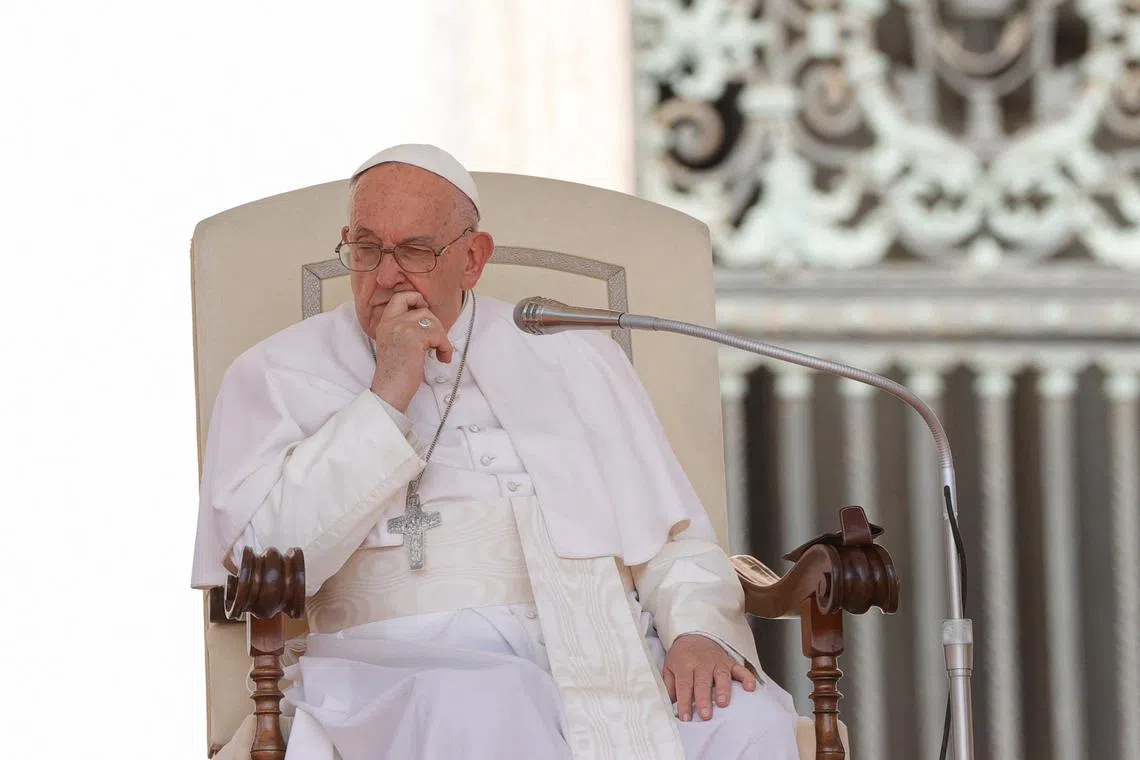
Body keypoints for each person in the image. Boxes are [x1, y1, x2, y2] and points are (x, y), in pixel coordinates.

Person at [191, 144, 800, 760]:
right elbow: (256, 561)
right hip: (398, 665)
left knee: (748, 724)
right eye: (367, 247)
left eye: (416, 250)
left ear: (473, 259)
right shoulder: (273, 373)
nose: (384, 276)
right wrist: (385, 398)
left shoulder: (573, 353)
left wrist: (695, 630)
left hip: (608, 651)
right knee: (490, 710)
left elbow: (673, 540)